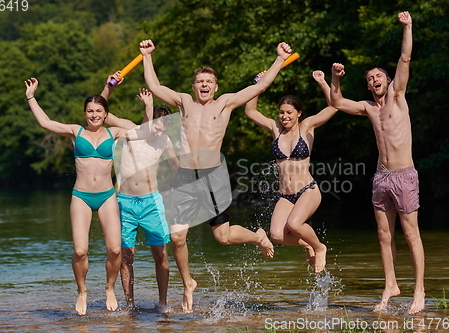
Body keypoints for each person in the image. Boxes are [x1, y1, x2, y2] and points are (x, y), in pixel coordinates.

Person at [139, 39, 293, 313]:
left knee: (222, 236)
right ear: (193, 85)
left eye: (209, 81)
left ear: (216, 86)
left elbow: (260, 86)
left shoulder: (225, 103)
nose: (204, 85)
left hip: (213, 176)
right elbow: (155, 87)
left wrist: (279, 59)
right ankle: (188, 283)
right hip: (185, 176)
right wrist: (147, 56)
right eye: (200, 81)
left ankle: (257, 236)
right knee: (176, 238)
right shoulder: (183, 102)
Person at [24, 78, 150, 316]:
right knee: (80, 251)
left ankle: (109, 288)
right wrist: (31, 96)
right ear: (85, 113)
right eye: (90, 111)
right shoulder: (76, 131)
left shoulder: (114, 133)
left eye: (99, 111)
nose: (94, 115)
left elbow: (144, 132)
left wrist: (147, 106)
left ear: (105, 113)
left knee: (115, 250)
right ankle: (82, 291)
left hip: (106, 196)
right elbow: (45, 122)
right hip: (81, 196)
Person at [330, 11, 425, 314]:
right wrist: (334, 78)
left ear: (388, 80)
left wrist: (408, 26)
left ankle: (419, 291)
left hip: (404, 175)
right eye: (370, 79)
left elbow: (405, 58)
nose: (374, 80)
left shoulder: (398, 95)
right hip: (381, 178)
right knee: (384, 235)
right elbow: (335, 102)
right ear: (369, 86)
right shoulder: (368, 108)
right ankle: (390, 285)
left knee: (411, 234)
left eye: (378, 76)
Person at [244, 70, 337, 273]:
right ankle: (307, 244)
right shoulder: (275, 128)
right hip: (285, 195)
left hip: (307, 190)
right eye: (281, 112)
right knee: (276, 235)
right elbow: (250, 111)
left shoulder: (307, 127)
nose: (284, 116)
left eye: (289, 112)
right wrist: (258, 82)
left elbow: (334, 106)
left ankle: (320, 247)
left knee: (295, 224)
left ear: (298, 113)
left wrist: (323, 82)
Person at [101, 76, 179, 311]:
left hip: (151, 202)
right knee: (125, 257)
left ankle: (163, 304)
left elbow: (177, 168)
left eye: (165, 125)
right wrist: (109, 87)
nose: (159, 129)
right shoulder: (129, 130)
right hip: (124, 202)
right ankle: (130, 305)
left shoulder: (164, 141)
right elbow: (102, 113)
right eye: (157, 123)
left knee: (161, 256)